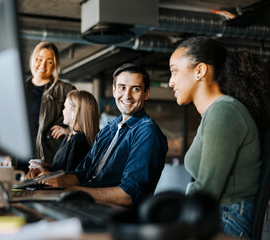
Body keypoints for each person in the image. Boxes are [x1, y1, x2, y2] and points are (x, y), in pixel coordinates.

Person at [168, 36, 270, 238]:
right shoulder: (215, 113)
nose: (171, 82)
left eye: (174, 71)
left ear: (200, 71)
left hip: (227, 220)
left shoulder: (224, 112)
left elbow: (207, 190)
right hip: (220, 216)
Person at [39, 63, 168, 206]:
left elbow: (129, 195)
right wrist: (50, 179)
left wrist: (70, 190)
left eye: (135, 89)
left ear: (146, 93)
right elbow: (82, 173)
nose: (127, 95)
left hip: (113, 216)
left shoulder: (147, 132)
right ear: (114, 91)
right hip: (87, 203)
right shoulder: (109, 128)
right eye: (122, 87)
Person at [25, 90, 100, 178]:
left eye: (65, 107)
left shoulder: (79, 140)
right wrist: (48, 168)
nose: (63, 111)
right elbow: (63, 169)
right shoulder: (70, 135)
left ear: (74, 111)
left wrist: (46, 173)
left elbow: (72, 178)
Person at [25, 41, 76, 168]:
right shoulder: (20, 89)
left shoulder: (66, 90)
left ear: (54, 65)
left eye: (49, 61)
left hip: (49, 158)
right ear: (33, 59)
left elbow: (85, 118)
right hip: (21, 158)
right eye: (39, 59)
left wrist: (68, 131)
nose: (43, 65)